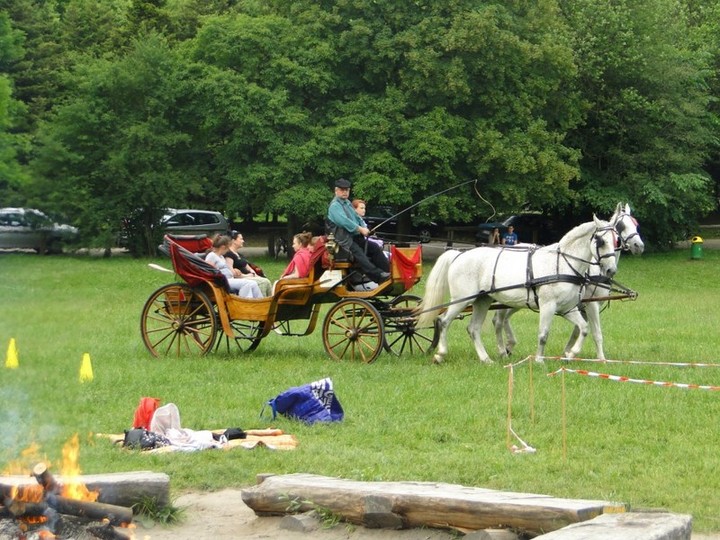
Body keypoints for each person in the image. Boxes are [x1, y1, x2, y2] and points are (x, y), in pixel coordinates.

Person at [327, 178, 390, 283]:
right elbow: (343, 221)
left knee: (374, 247)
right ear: (336, 190)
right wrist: (360, 229)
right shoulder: (334, 206)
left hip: (355, 237)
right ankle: (378, 276)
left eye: (347, 190)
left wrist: (365, 229)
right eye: (342, 190)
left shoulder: (347, 203)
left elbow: (357, 218)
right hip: (343, 241)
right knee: (359, 253)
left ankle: (387, 272)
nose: (345, 192)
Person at [226, 231, 272, 296]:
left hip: (249, 276)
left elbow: (249, 268)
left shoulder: (239, 254)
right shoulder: (229, 254)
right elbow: (232, 272)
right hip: (241, 278)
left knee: (266, 281)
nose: (243, 241)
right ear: (234, 241)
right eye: (241, 239)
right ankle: (261, 303)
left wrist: (255, 275)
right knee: (262, 283)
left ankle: (269, 302)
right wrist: (247, 276)